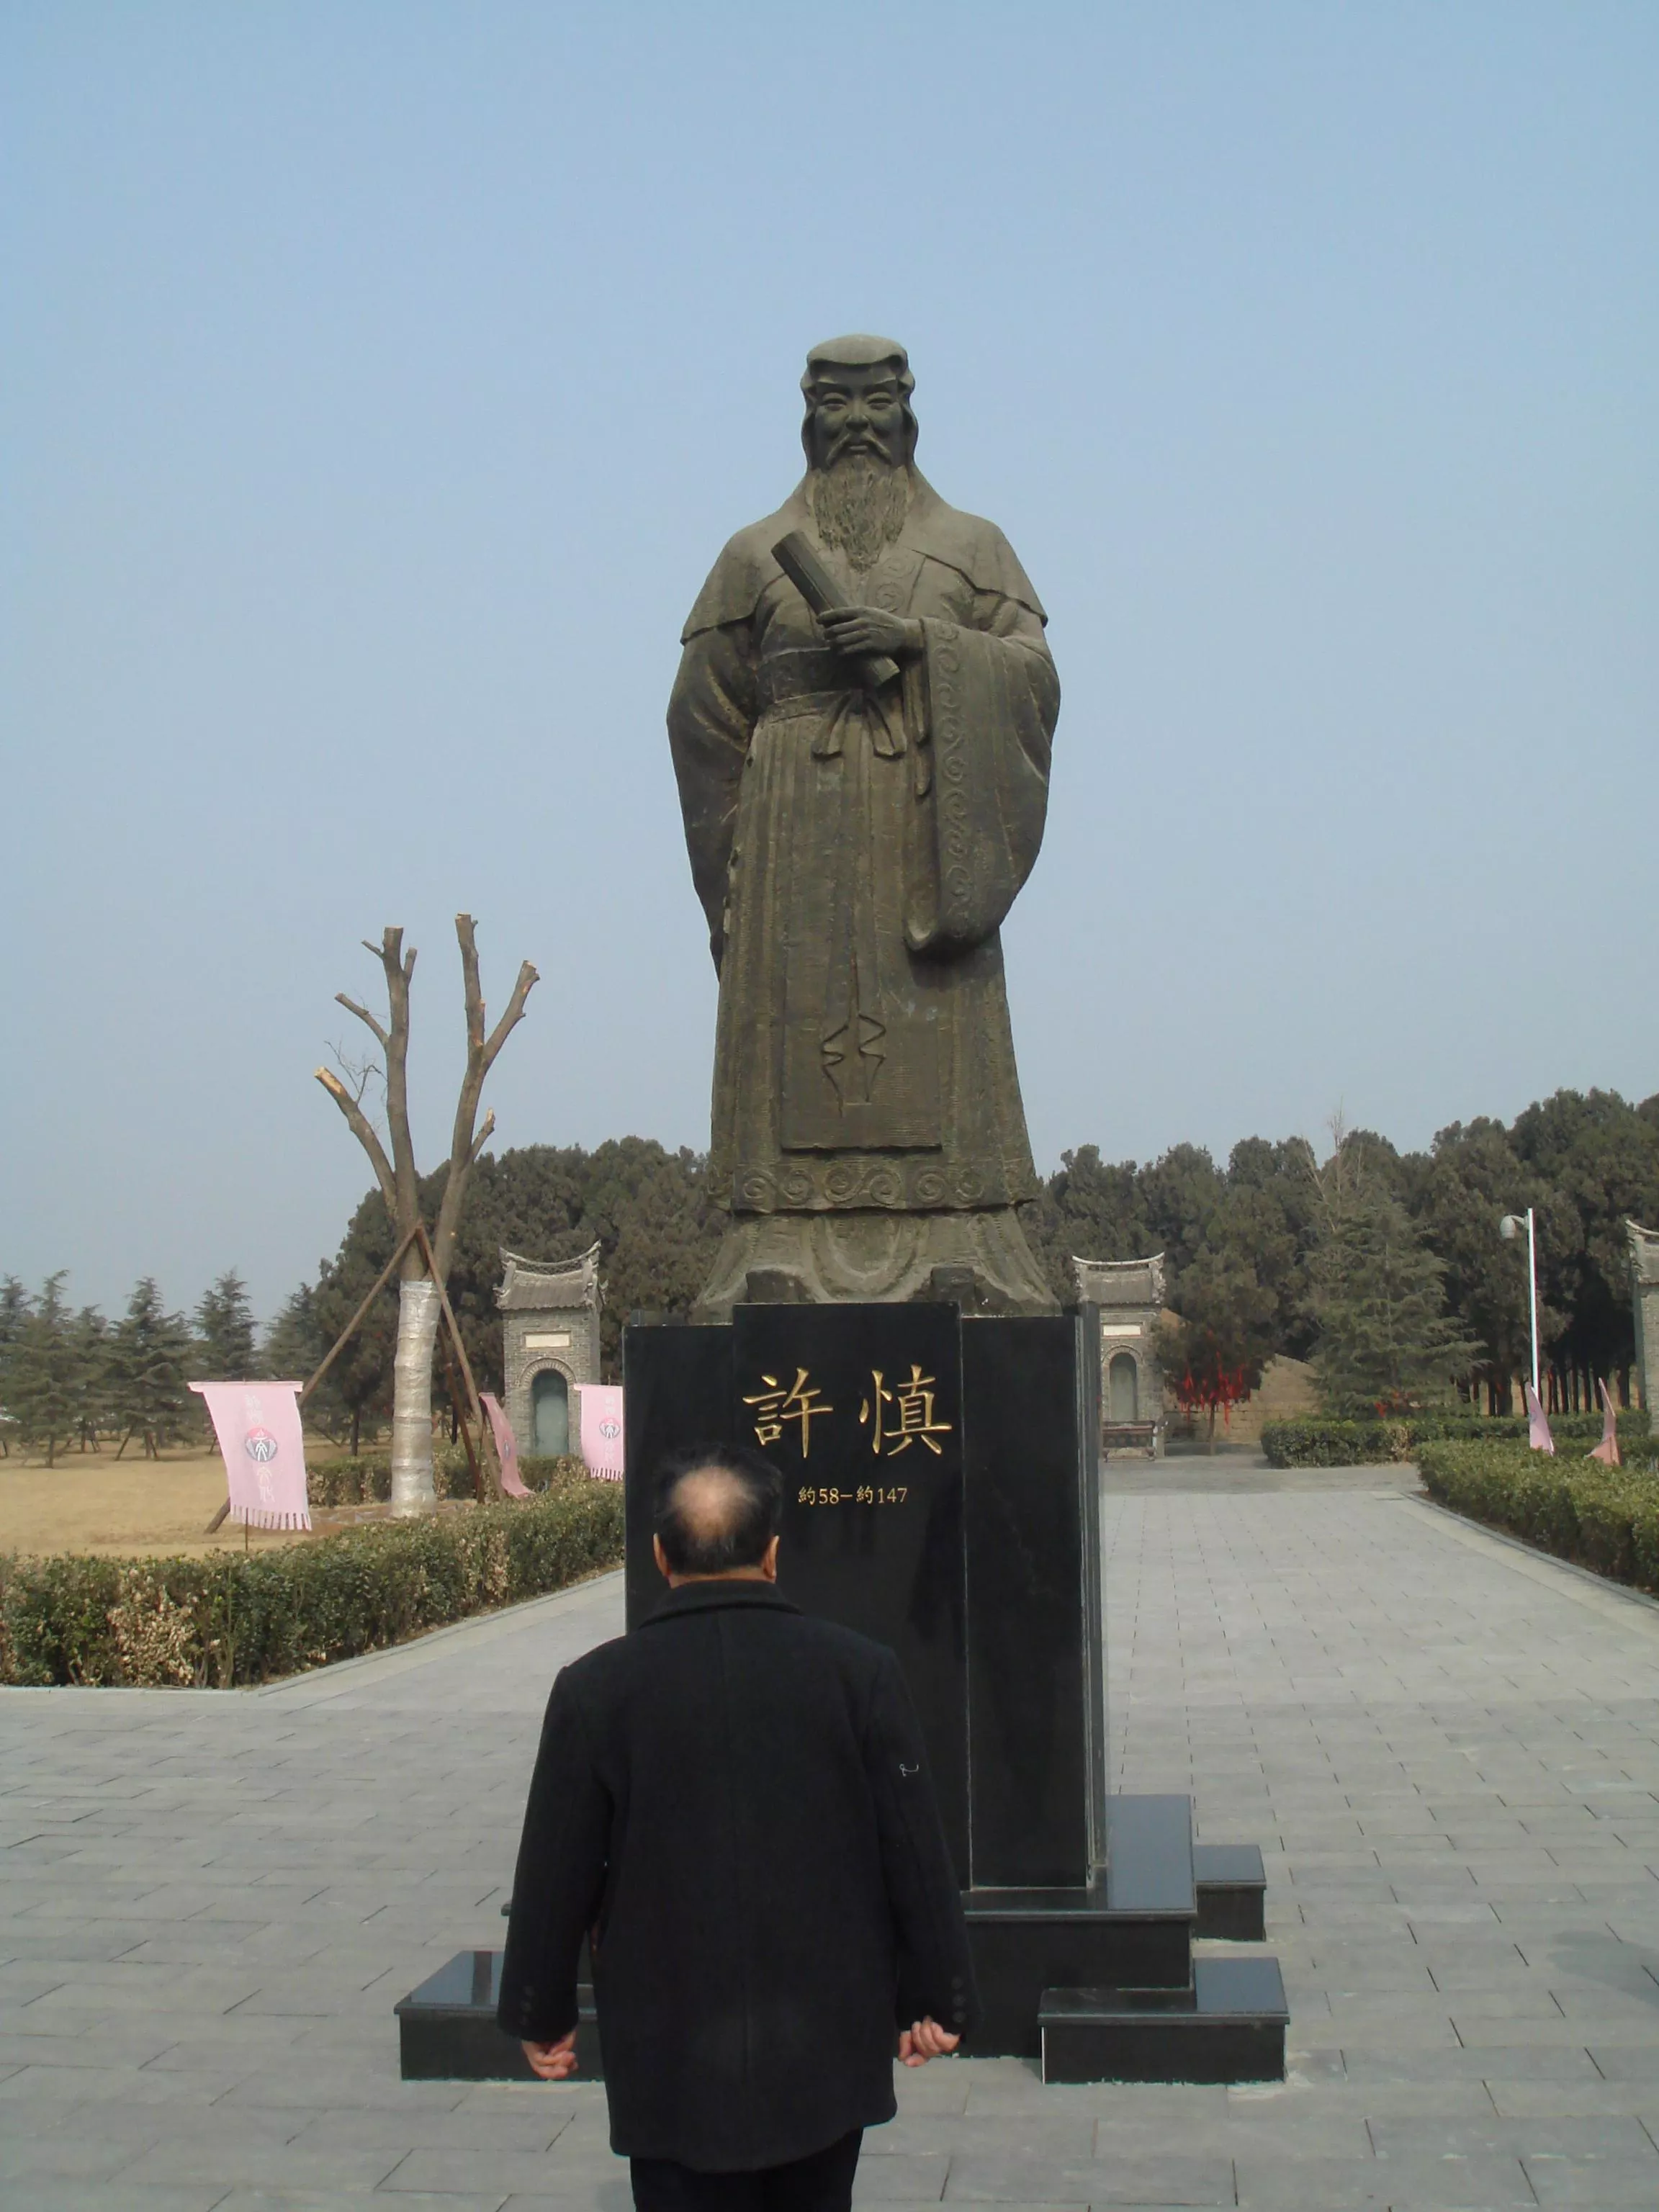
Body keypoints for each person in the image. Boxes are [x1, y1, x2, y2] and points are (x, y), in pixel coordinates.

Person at [667, 335, 1061, 1318]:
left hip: (925, 829)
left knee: (938, 1035)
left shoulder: (973, 547)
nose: (856, 426)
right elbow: (700, 716)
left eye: (875, 403)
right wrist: (737, 871)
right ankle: (775, 1235)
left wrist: (920, 644)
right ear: (807, 417)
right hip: (794, 840)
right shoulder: (753, 556)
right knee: (793, 1043)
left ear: (908, 413)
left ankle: (962, 1226)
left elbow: (1033, 678)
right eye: (835, 405)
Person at [498, 1442, 976, 2211]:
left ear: (661, 1555)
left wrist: (541, 2010)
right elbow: (915, 1851)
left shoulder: (596, 1690)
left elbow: (557, 1870)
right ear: (773, 1553)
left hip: (671, 2052)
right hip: (822, 2049)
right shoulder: (859, 1672)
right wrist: (939, 1998)